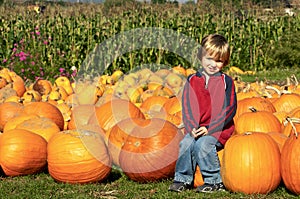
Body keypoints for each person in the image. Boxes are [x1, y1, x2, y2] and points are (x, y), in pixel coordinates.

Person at [168, 33, 237, 193]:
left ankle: (214, 181)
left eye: (219, 61)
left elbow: (229, 109)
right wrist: (192, 127)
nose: (213, 64)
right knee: (186, 143)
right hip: (196, 127)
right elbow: (188, 107)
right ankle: (182, 179)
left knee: (203, 144)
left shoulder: (226, 82)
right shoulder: (192, 80)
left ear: (225, 62)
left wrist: (210, 128)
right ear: (201, 57)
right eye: (209, 59)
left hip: (219, 129)